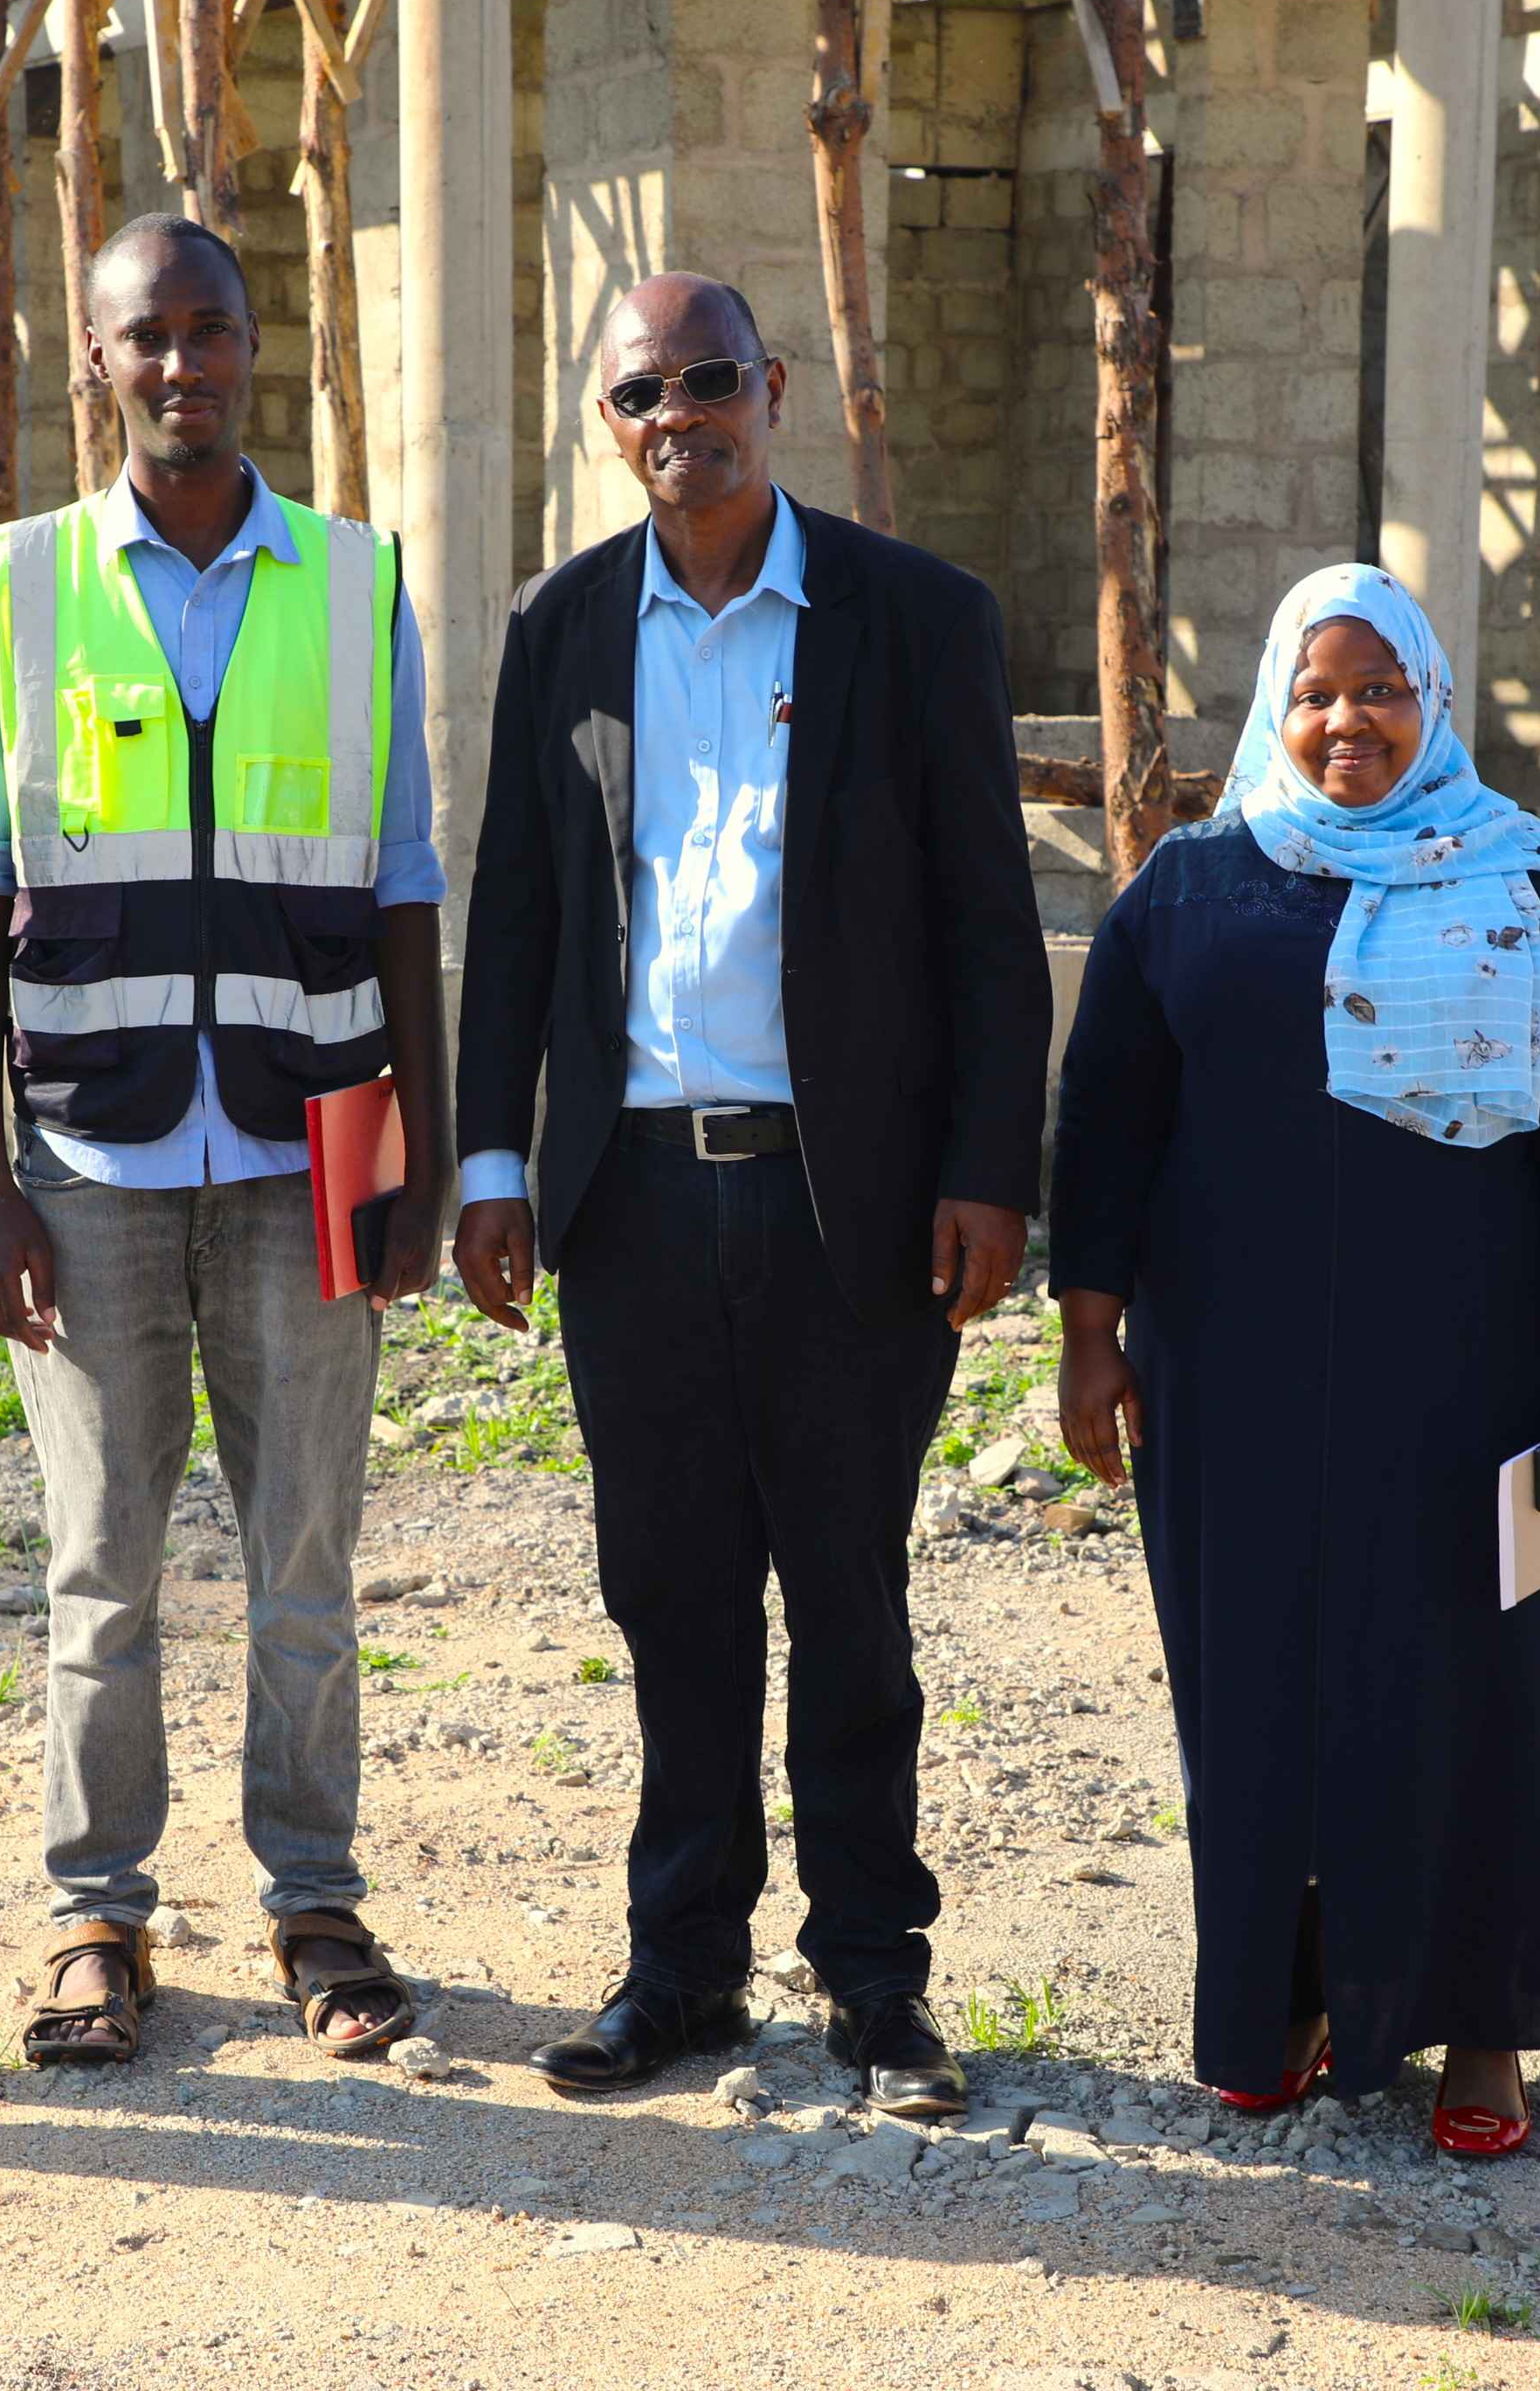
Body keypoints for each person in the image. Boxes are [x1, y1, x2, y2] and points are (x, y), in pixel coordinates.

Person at [455, 273, 1053, 2118]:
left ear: (771, 389)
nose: (679, 416)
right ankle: (684, 1972)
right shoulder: (563, 626)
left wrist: (989, 1176)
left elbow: (990, 925)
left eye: (709, 379)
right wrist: (491, 1161)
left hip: (845, 1206)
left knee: (851, 1602)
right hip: (632, 1200)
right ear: (609, 422)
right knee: (673, 1597)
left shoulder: (916, 617)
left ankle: (875, 1979)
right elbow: (519, 915)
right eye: (643, 391)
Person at [0, 215, 452, 2069]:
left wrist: (422, 1157)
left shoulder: (357, 584)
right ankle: (97, 1913)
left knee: (307, 1563)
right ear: (95, 358)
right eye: (144, 335)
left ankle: (316, 1900)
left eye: (210, 329)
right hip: (92, 1159)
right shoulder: (21, 584)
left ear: (253, 346)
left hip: (320, 1147)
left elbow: (403, 890)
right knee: (102, 1571)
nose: (181, 364)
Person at [1048, 562, 1540, 2160]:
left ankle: (1484, 2026)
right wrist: (1091, 1337)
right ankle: (1285, 1998)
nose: (1347, 722)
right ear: (1273, 704)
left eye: (1379, 689)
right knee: (1264, 1684)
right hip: (1234, 1377)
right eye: (1315, 693)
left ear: (1432, 701)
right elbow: (1105, 1123)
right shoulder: (1190, 891)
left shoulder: (1537, 888)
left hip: (1479, 1376)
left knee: (1482, 1682)